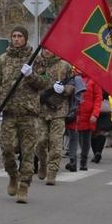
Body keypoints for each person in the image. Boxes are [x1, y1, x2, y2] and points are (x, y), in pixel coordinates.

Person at [0, 26, 51, 204]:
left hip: (29, 113)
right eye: (14, 36)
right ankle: (12, 175)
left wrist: (31, 75)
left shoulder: (36, 59)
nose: (16, 39)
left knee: (28, 151)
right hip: (8, 112)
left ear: (25, 38)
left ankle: (24, 185)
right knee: (6, 148)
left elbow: (44, 83)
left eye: (20, 36)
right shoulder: (3, 59)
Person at [35, 53, 76, 185]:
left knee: (56, 142)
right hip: (41, 109)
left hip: (58, 110)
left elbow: (72, 83)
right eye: (45, 48)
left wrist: (64, 89)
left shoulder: (64, 65)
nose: (47, 50)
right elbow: (30, 83)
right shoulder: (37, 64)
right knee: (40, 141)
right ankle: (42, 161)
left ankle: (52, 171)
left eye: (49, 48)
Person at [66, 76, 101, 171]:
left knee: (85, 141)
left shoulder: (94, 80)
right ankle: (73, 162)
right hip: (73, 114)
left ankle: (83, 162)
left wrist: (95, 114)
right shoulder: (72, 77)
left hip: (88, 117)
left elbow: (98, 99)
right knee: (73, 138)